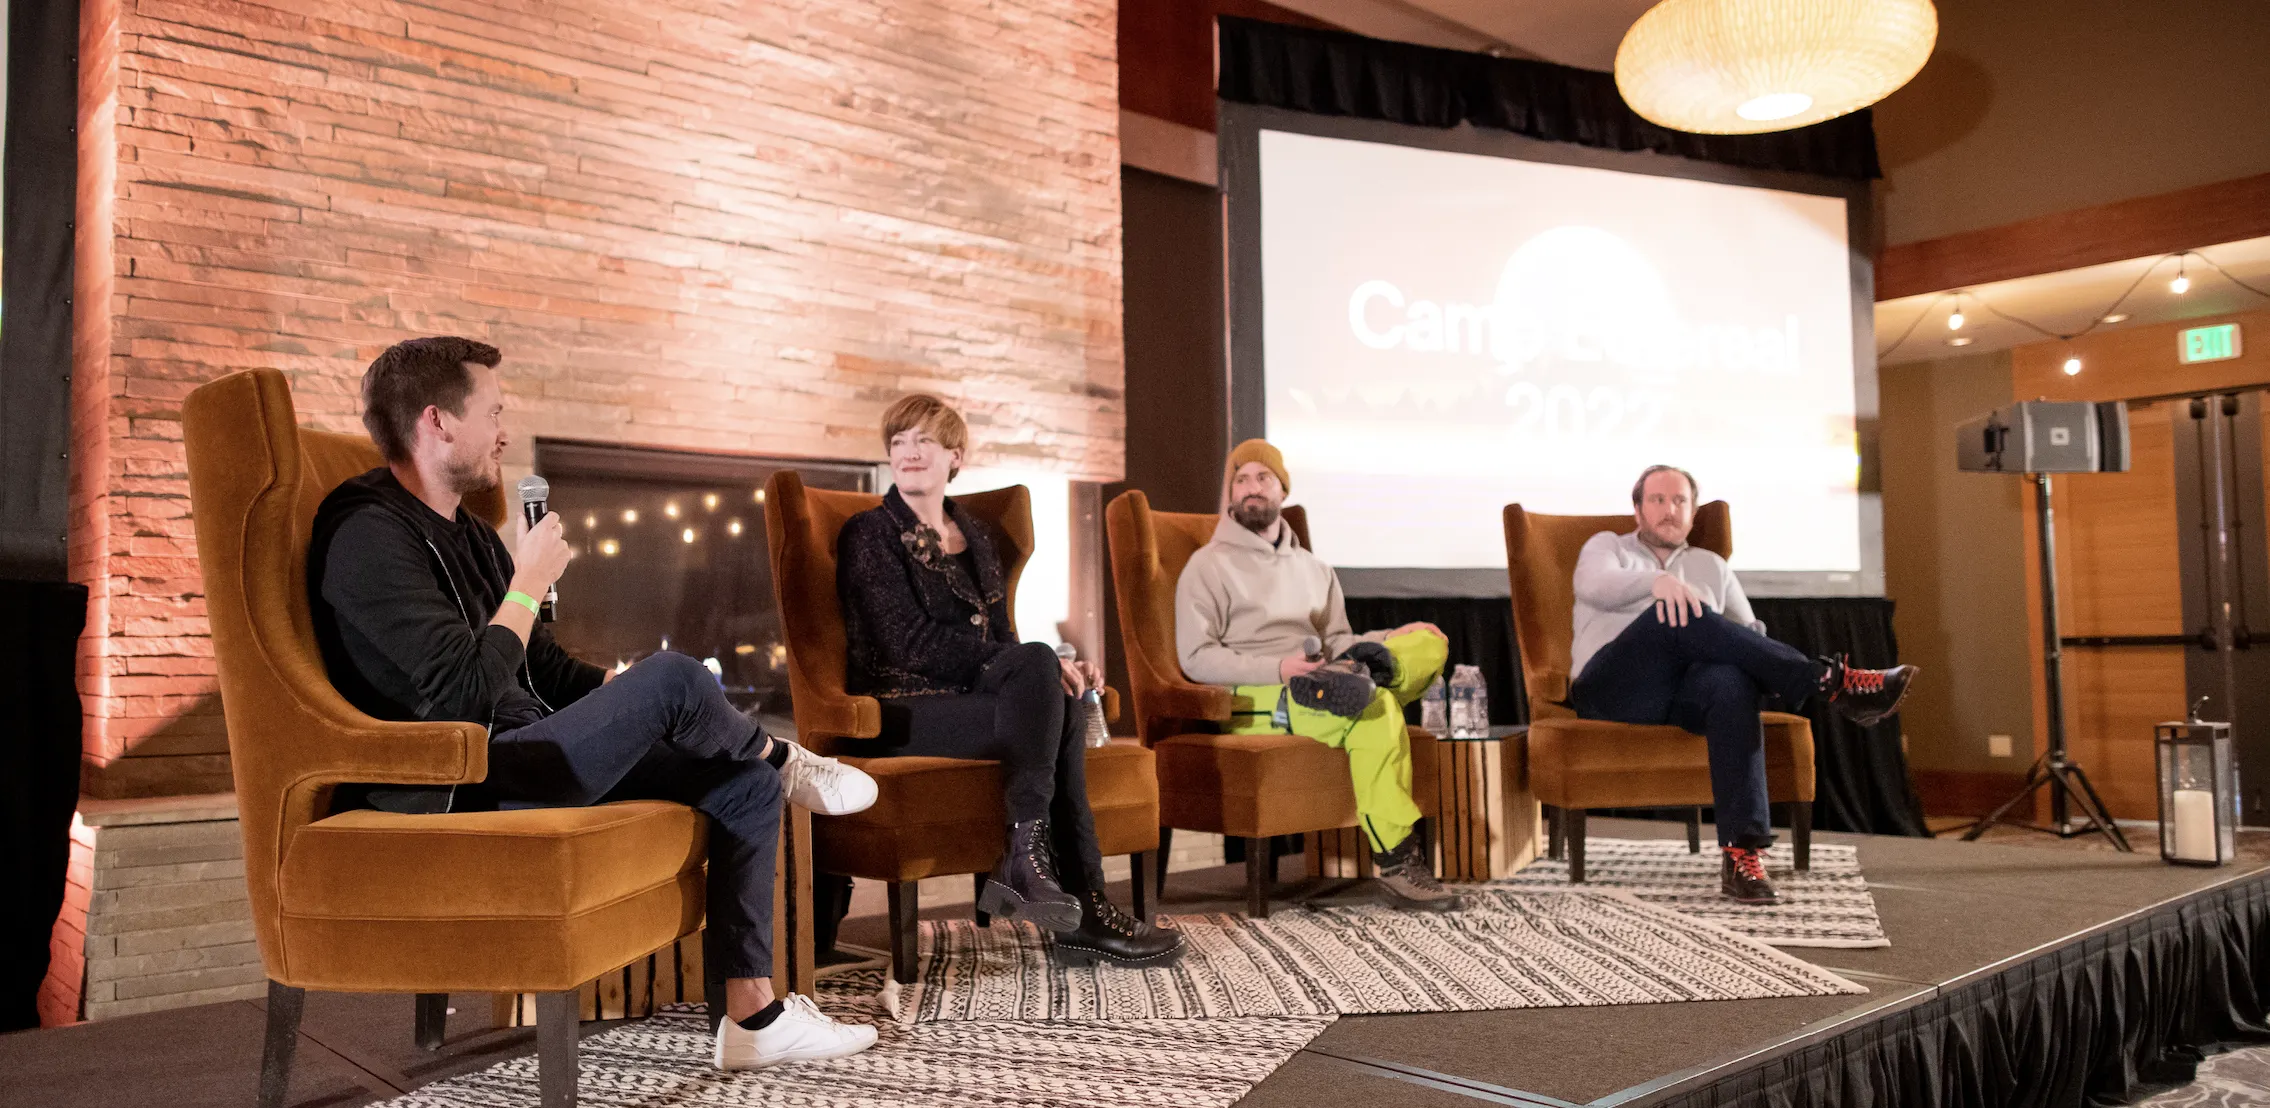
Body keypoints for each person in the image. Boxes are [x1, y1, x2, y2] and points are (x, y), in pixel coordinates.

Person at [308, 336, 882, 1071]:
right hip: (457, 775)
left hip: (528, 747)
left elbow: (541, 668)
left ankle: (754, 1018)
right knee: (677, 677)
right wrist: (527, 585)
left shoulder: (471, 536)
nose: (505, 431)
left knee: (741, 783)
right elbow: (461, 694)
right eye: (494, 412)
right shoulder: (365, 536)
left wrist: (624, 695)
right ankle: (783, 756)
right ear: (438, 421)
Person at [836, 394, 1184, 967]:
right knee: (1043, 675)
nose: (908, 452)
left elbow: (1003, 636)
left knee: (1058, 697)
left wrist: (1050, 671)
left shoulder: (976, 535)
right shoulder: (869, 533)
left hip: (970, 703)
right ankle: (1070, 900)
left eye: (924, 440)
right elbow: (906, 643)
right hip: (897, 708)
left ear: (956, 456)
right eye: (898, 442)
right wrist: (1026, 664)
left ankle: (1062, 892)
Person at [1570, 465, 1917, 904]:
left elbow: (1750, 635)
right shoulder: (1607, 548)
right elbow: (1594, 584)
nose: (1669, 509)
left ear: (1693, 513)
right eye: (1657, 500)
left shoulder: (1712, 566)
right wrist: (1659, 582)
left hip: (1681, 696)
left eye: (1679, 501)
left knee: (1731, 681)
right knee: (1672, 612)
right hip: (1612, 688)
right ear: (1637, 510)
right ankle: (1831, 682)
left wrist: (1742, 650)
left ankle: (1742, 855)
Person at [1174, 439, 1460, 911]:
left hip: (1323, 678)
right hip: (1257, 697)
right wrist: (1278, 668)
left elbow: (1337, 640)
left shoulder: (1314, 569)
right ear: (1231, 494)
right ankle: (1396, 860)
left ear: (1282, 489)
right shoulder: (1206, 566)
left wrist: (1391, 635)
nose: (1251, 488)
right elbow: (1196, 658)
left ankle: (1374, 669)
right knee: (1375, 708)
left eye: (1263, 477)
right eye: (1241, 479)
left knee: (1428, 642)